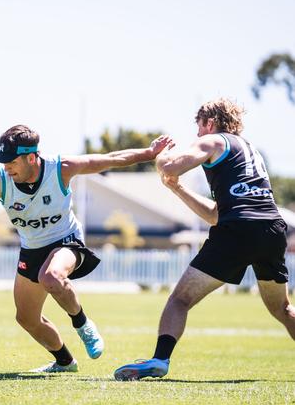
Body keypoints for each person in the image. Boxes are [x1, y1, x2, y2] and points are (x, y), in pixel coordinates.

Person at [0, 125, 172, 372]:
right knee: (26, 319)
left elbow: (108, 160)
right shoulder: (0, 182)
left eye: (11, 161)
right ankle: (65, 362)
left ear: (31, 157)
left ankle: (82, 325)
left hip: (66, 242)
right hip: (32, 249)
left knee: (51, 277)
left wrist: (149, 152)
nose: (6, 167)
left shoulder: (60, 169)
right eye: (3, 161)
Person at [114, 98, 294, 381]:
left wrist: (159, 154)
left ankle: (160, 360)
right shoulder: (250, 151)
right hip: (271, 229)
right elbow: (215, 215)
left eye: (199, 127)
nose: (197, 135)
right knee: (283, 309)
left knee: (180, 299)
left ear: (210, 123)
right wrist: (178, 189)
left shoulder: (214, 141)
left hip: (237, 232)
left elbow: (170, 167)